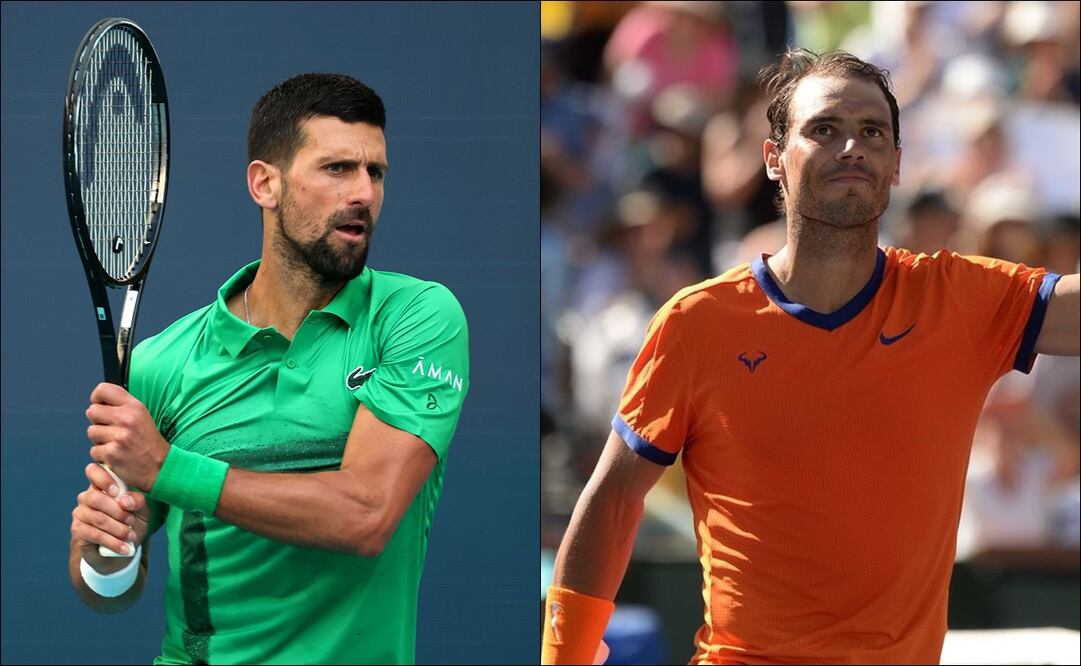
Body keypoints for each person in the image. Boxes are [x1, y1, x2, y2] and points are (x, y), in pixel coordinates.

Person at [542, 49, 1079, 665]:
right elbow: (611, 501)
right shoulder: (697, 323)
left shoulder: (960, 300)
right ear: (774, 157)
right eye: (824, 129)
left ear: (897, 164)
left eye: (872, 132)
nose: (852, 147)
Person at [68, 73, 470, 665]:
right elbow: (107, 591)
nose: (363, 192)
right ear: (266, 184)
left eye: (375, 172)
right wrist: (108, 548)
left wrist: (166, 467)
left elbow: (367, 514)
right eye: (337, 169)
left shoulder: (416, 318)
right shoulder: (163, 363)